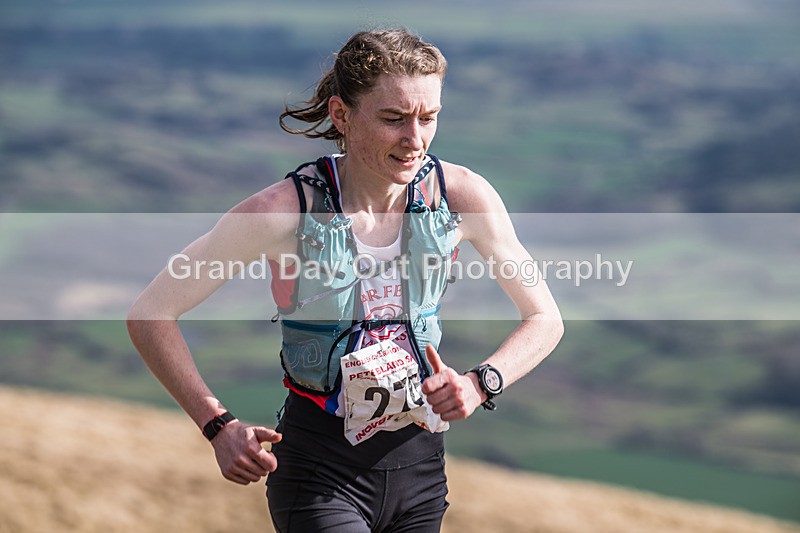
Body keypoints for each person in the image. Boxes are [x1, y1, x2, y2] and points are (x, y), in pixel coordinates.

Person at [128, 28, 563, 533]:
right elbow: (150, 314)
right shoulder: (281, 212)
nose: (415, 139)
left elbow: (545, 318)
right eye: (393, 119)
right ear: (342, 116)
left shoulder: (461, 196)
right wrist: (218, 426)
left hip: (421, 471)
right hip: (318, 471)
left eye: (429, 118)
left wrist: (480, 383)